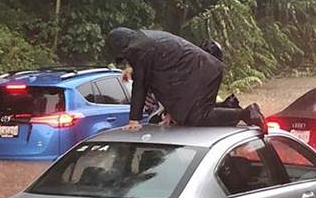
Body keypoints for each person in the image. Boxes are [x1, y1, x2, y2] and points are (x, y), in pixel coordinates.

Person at [105, 27, 266, 132]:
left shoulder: (138, 49)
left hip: (200, 71)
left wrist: (134, 120)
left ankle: (245, 113)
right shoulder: (143, 41)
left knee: (197, 117)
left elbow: (141, 85)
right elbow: (161, 80)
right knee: (185, 117)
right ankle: (228, 105)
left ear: (122, 47)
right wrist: (170, 112)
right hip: (199, 70)